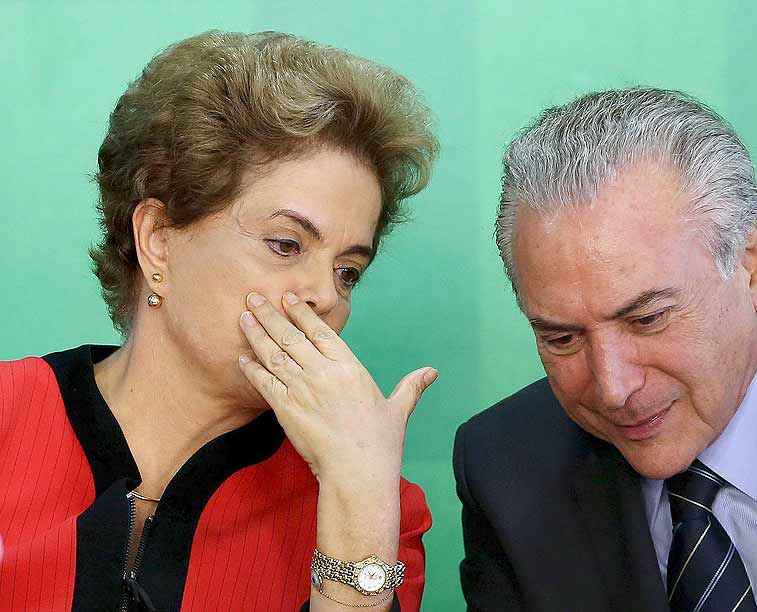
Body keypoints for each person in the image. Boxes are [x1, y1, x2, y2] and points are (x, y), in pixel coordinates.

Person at [0, 31, 439, 612]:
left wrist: (360, 508)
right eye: (286, 244)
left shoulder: (385, 511)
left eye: (348, 271)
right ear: (158, 239)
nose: (325, 295)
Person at [454, 87, 757, 612]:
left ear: (751, 263)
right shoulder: (505, 470)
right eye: (561, 338)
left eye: (647, 318)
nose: (615, 389)